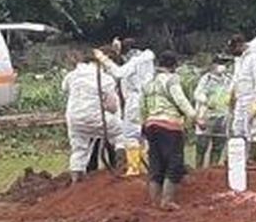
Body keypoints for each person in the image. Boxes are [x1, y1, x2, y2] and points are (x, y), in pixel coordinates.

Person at [141, 51, 196, 211]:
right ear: (174, 66)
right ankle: (167, 201)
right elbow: (181, 100)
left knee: (156, 163)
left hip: (151, 125)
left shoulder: (148, 83)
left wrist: (144, 123)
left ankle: (154, 202)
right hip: (170, 126)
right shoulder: (172, 80)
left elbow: (141, 107)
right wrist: (194, 117)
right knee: (174, 162)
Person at [94, 40, 155, 177]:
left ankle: (134, 168)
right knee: (146, 134)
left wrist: (103, 59)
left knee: (131, 134)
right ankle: (151, 166)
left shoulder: (135, 62)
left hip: (135, 101)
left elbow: (119, 72)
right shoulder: (147, 60)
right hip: (150, 99)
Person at [62, 50, 122, 182]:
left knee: (79, 149)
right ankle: (121, 168)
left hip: (74, 119)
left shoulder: (72, 76)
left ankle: (76, 182)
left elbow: (65, 89)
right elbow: (113, 106)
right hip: (95, 116)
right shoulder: (105, 78)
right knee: (122, 134)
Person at [229, 35, 256, 163]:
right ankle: (237, 156)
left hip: (252, 97)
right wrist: (231, 94)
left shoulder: (255, 58)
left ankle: (252, 157)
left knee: (253, 128)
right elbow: (236, 78)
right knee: (237, 127)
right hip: (240, 98)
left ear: (241, 45)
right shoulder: (239, 59)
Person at [193, 57, 232, 167]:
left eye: (224, 64)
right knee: (202, 145)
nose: (222, 66)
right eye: (219, 64)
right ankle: (199, 169)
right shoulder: (206, 79)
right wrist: (206, 100)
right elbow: (197, 94)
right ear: (213, 65)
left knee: (218, 145)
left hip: (222, 116)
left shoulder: (228, 79)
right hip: (207, 116)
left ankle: (213, 169)